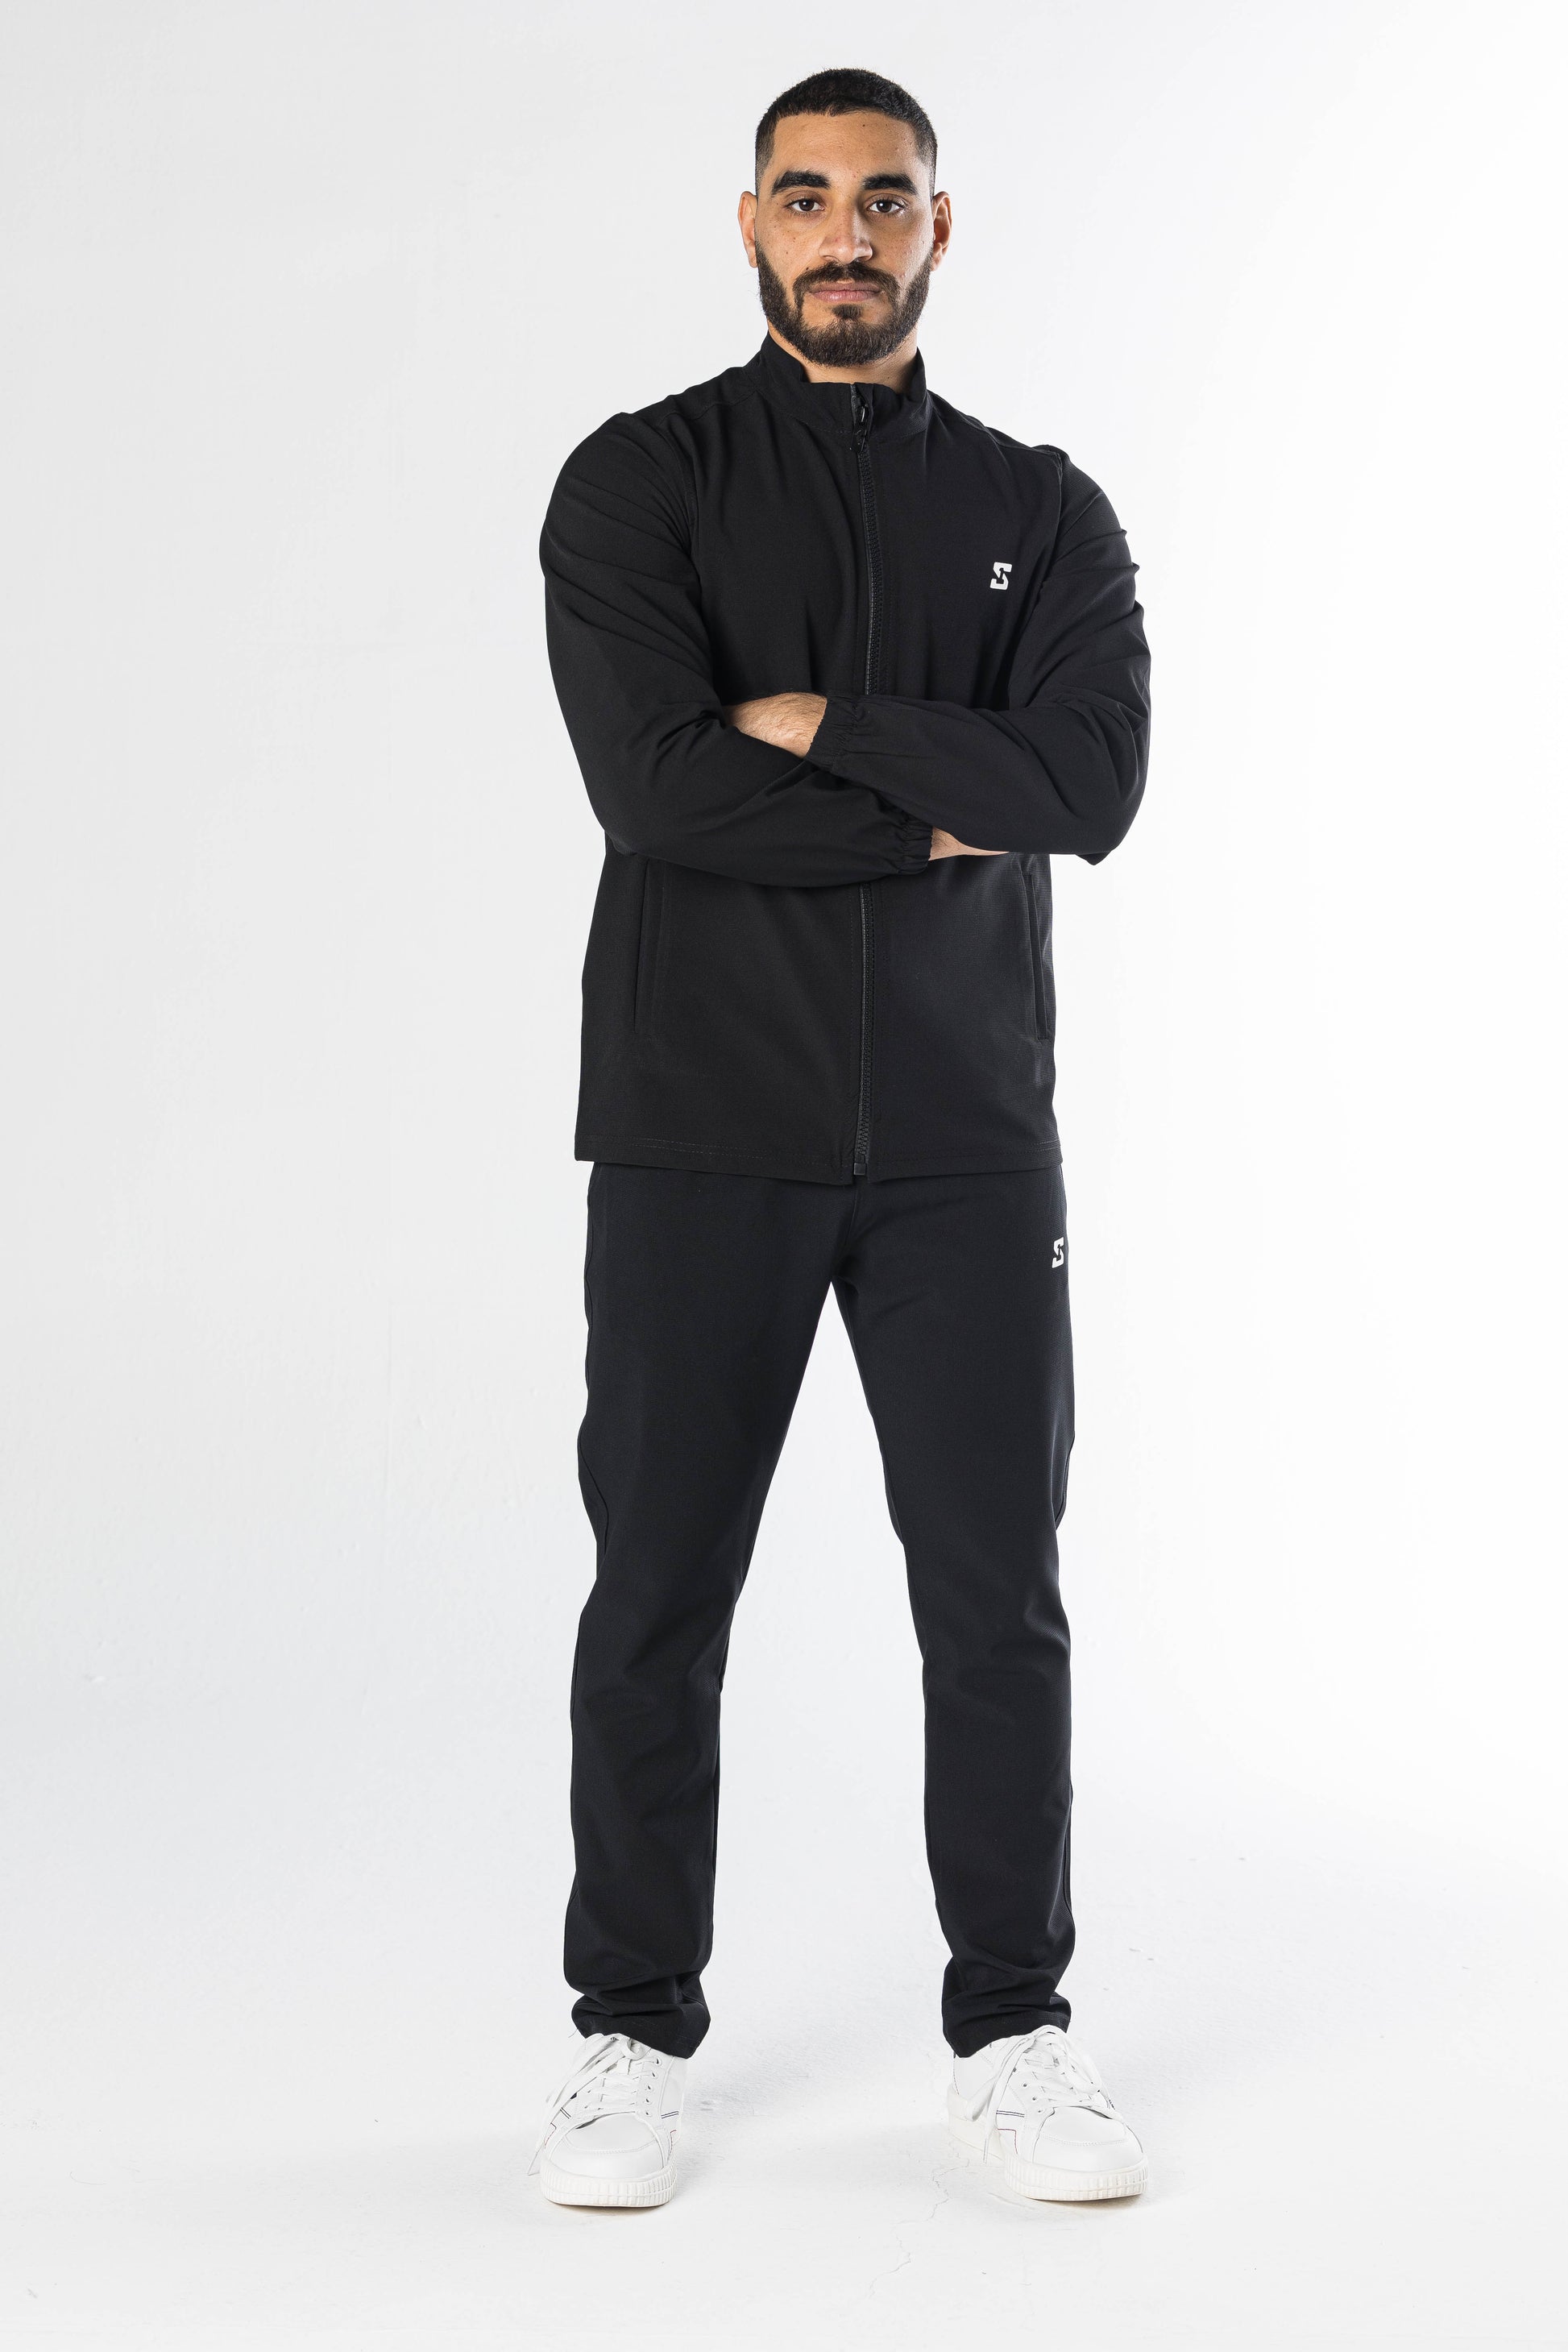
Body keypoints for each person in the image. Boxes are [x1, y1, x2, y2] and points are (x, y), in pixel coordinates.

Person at [529, 66, 1151, 2211]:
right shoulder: (641, 481)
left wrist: (820, 728)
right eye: (805, 198)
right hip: (699, 1125)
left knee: (997, 1599)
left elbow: (1092, 786)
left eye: (884, 200)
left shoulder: (1040, 506)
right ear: (750, 225)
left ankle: (1017, 2033)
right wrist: (945, 797)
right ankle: (627, 2035)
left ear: (937, 229)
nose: (845, 235)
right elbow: (656, 789)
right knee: (657, 1593)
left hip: (968, 1140)